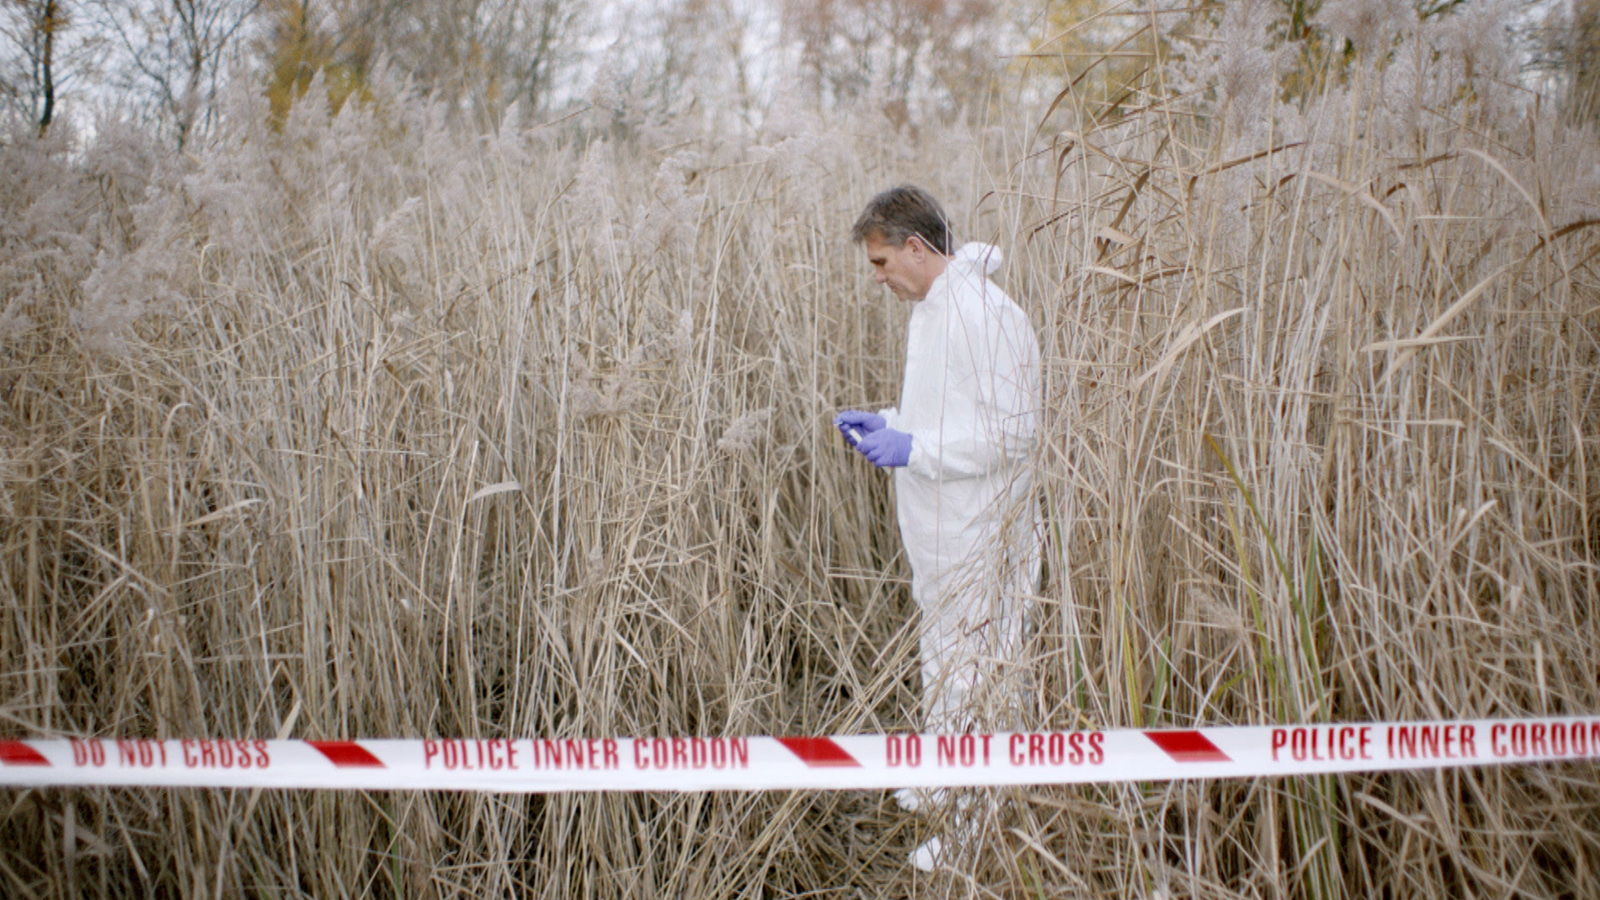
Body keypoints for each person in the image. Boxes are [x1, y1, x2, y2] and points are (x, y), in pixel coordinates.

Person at [835, 184, 1042, 870]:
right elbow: (944, 415)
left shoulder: (987, 314)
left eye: (881, 262)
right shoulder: (932, 310)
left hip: (982, 534)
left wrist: (914, 448)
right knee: (944, 662)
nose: (878, 278)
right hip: (940, 537)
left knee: (978, 674)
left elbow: (1015, 434)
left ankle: (976, 827)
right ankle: (944, 780)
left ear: (918, 248)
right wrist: (888, 424)